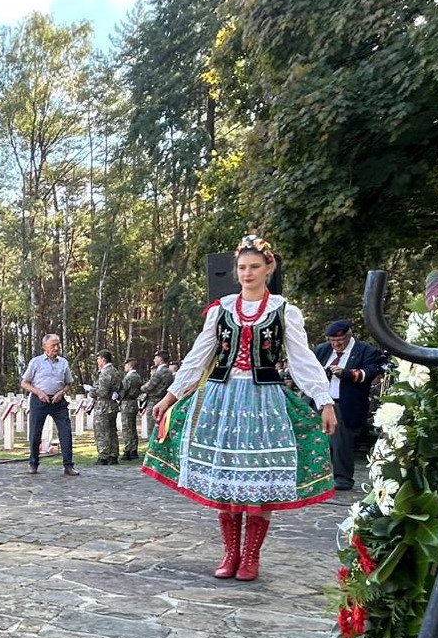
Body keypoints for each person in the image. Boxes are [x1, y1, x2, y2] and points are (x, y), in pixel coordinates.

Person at [146, 235, 337, 581]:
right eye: (242, 267)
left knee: (257, 479)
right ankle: (230, 554)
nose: (247, 273)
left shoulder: (283, 310)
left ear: (268, 268)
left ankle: (251, 557)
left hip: (265, 402)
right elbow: (198, 356)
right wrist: (170, 396)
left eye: (254, 267)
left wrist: (324, 400)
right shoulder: (221, 310)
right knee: (226, 478)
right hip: (222, 400)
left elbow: (302, 359)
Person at [313, 319, 386, 491]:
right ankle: (317, 477)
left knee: (341, 443)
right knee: (318, 440)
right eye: (332, 341)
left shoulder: (365, 350)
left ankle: (342, 478)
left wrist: (346, 374)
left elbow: (370, 373)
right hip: (321, 402)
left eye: (340, 340)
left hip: (345, 404)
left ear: (349, 336)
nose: (336, 344)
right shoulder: (322, 350)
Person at [21, 335, 80, 475]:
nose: (56, 348)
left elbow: (69, 384)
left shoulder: (63, 363)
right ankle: (33, 463)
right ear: (44, 347)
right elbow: (24, 383)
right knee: (35, 433)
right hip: (39, 400)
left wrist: (61, 393)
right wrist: (39, 393)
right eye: (53, 345)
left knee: (65, 432)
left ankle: (68, 465)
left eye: (58, 345)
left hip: (58, 401)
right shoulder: (35, 362)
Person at [90, 350, 122, 465]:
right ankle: (113, 455)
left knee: (101, 430)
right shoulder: (115, 371)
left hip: (103, 405)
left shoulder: (105, 372)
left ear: (103, 359)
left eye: (98, 359)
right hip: (112, 404)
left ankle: (103, 456)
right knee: (112, 430)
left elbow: (102, 391)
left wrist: (92, 391)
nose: (97, 361)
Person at [141, 351, 175, 443]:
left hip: (154, 401)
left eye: (156, 358)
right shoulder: (169, 372)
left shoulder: (159, 372)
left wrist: (141, 387)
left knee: (152, 428)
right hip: (165, 400)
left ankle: (152, 446)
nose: (154, 360)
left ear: (160, 359)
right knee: (162, 426)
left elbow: (149, 387)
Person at [119, 357, 144, 461]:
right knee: (133, 428)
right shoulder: (138, 377)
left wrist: (118, 398)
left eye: (126, 365)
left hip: (127, 403)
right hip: (134, 403)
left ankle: (127, 451)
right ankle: (134, 450)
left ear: (129, 365)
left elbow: (123, 390)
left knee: (127, 428)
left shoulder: (128, 377)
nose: (125, 367)